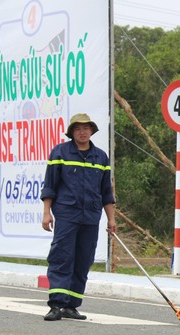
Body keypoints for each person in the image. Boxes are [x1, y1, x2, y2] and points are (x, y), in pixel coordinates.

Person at [41, 113, 116, 321]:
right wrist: (47, 213)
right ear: (72, 132)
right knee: (62, 257)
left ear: (91, 131)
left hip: (91, 216)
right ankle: (56, 304)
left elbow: (106, 193)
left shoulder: (101, 157)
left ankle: (72, 305)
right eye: (78, 129)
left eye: (86, 128)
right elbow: (50, 185)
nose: (82, 132)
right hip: (66, 214)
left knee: (83, 260)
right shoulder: (60, 153)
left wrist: (111, 219)